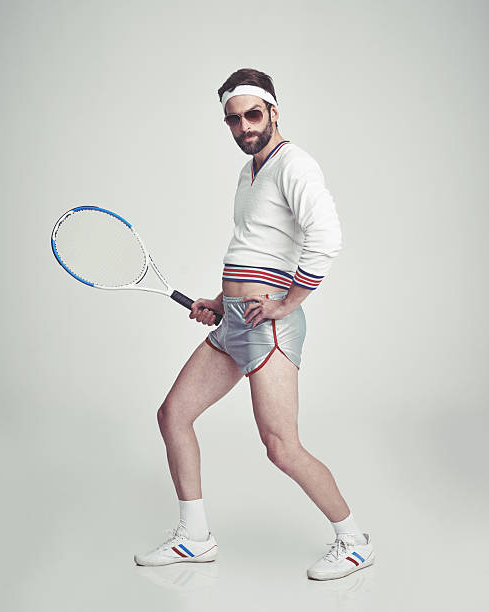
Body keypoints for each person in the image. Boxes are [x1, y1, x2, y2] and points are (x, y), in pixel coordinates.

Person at [134, 68, 375, 580]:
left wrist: (288, 303)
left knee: (281, 447)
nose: (244, 126)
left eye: (253, 114)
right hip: (235, 321)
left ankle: (353, 541)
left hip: (268, 325)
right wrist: (221, 301)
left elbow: (326, 237)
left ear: (274, 111)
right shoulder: (249, 173)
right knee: (173, 415)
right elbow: (255, 248)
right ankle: (194, 539)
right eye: (233, 119)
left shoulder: (296, 166)